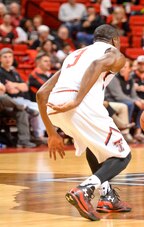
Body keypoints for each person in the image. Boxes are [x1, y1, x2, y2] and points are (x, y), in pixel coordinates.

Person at [36, 24, 132, 221]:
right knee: (123, 155)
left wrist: (52, 133)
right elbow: (96, 65)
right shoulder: (113, 53)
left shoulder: (74, 55)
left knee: (93, 146)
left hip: (55, 108)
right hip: (79, 106)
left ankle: (107, 196)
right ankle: (84, 190)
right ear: (115, 40)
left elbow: (41, 93)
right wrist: (77, 100)